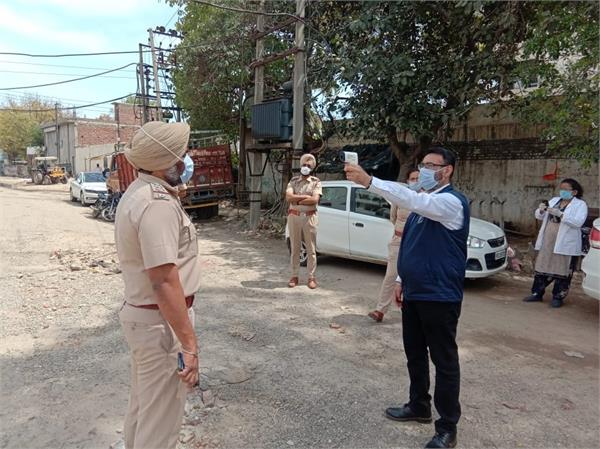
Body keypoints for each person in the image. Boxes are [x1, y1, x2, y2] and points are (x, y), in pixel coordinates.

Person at [345, 147, 469, 449]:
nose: (424, 170)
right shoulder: (420, 209)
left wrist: (369, 181)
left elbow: (412, 199)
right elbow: (411, 246)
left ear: (447, 170)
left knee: (444, 361)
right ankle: (419, 404)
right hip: (414, 291)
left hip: (439, 295)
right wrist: (400, 280)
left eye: (431, 165)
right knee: (415, 353)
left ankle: (447, 426)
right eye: (422, 164)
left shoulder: (450, 202)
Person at [115, 121, 199, 449]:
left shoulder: (140, 192)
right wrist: (189, 346)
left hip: (146, 320)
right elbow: (164, 280)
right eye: (182, 154)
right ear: (167, 162)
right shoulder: (157, 204)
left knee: (144, 410)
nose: (186, 160)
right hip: (161, 325)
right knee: (160, 424)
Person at [524, 178, 588, 308]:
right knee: (542, 266)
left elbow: (578, 222)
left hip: (565, 242)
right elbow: (539, 216)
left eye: (566, 189)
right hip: (548, 240)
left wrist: (561, 214)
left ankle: (558, 297)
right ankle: (537, 293)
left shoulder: (580, 205)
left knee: (562, 269)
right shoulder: (554, 201)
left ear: (574, 192)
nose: (562, 191)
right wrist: (541, 210)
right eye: (561, 189)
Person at [368, 168, 420, 322]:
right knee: (391, 275)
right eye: (412, 178)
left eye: (418, 179)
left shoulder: (425, 200)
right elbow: (393, 218)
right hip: (398, 241)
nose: (415, 181)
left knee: (414, 277)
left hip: (417, 243)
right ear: (408, 180)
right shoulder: (401, 197)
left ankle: (412, 311)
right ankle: (380, 310)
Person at [286, 153, 322, 289]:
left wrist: (297, 199)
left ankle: (311, 277)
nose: (305, 167)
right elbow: (289, 198)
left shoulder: (316, 182)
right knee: (295, 247)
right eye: (304, 165)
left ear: (312, 168)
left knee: (311, 249)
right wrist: (305, 197)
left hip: (309, 217)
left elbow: (315, 200)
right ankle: (294, 276)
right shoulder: (293, 181)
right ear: (300, 166)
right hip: (294, 217)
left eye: (308, 165)